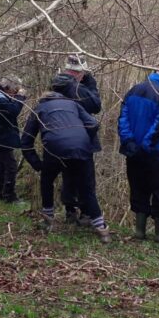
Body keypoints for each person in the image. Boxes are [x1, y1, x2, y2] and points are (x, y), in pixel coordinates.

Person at [22, 74, 111, 243]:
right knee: (87, 188)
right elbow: (93, 124)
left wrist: (37, 164)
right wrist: (81, 138)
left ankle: (48, 219)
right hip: (82, 148)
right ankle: (102, 229)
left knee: (47, 180)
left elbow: (26, 141)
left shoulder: (39, 108)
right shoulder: (73, 104)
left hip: (54, 149)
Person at [118, 67, 159, 241]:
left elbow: (123, 118)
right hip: (158, 151)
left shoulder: (133, 90)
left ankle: (139, 231)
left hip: (133, 150)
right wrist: (147, 144)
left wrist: (129, 141)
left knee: (138, 188)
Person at [59, 54, 101, 226]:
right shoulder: (72, 87)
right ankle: (80, 212)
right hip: (78, 137)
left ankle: (76, 211)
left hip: (67, 137)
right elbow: (95, 105)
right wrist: (88, 84)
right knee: (80, 177)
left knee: (73, 176)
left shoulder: (59, 84)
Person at [0, 77, 27, 202]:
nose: (14, 94)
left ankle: (0, 193)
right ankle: (9, 195)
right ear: (8, 88)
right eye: (14, 91)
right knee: (10, 166)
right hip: (0, 135)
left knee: (2, 165)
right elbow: (12, 111)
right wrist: (20, 97)